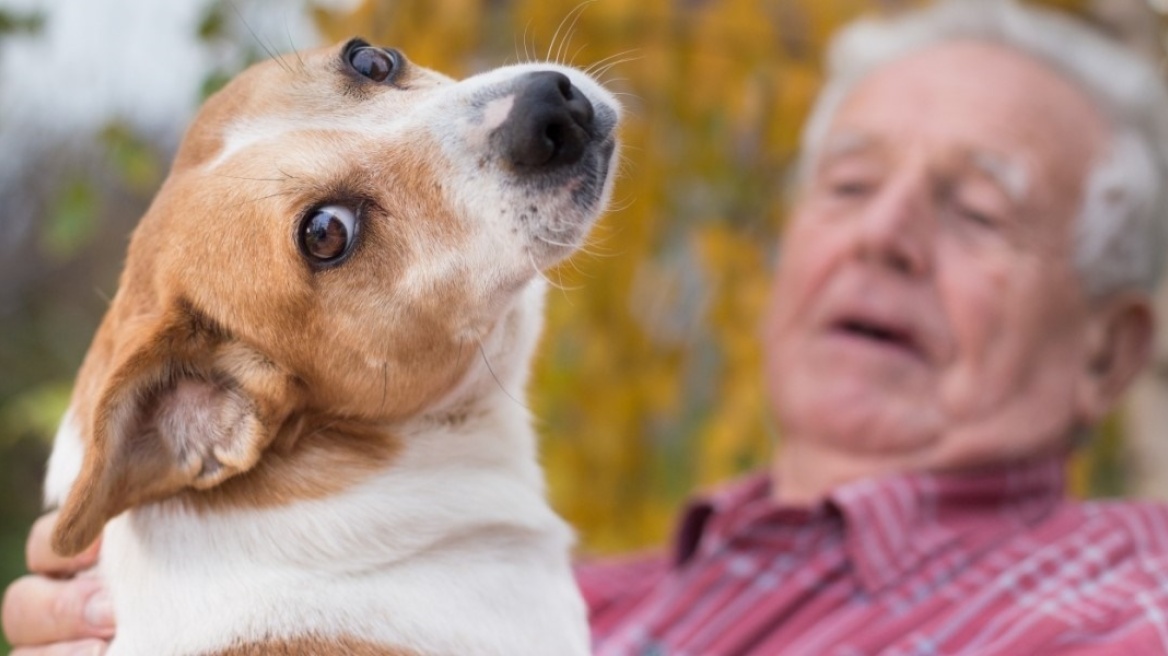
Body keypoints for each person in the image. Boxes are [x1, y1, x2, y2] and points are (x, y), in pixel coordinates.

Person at [7, 0, 1168, 653]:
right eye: (851, 183)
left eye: (977, 210)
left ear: (1112, 348)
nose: (884, 236)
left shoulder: (1123, 603)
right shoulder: (574, 593)